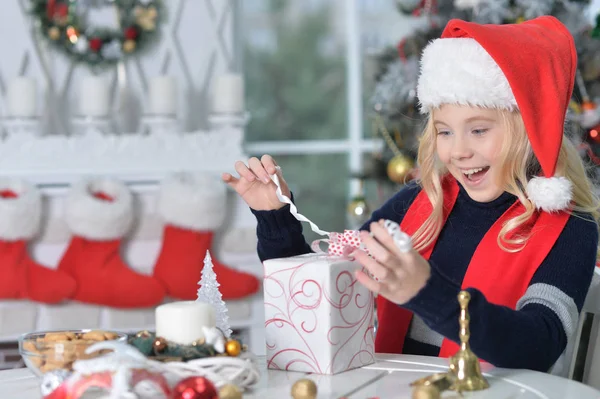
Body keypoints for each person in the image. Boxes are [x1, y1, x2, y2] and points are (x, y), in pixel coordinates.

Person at [222, 16, 600, 373]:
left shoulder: (568, 229)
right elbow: (316, 294)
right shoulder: (419, 205)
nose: (458, 151)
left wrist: (427, 292)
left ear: (529, 129)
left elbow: (539, 342)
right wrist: (274, 216)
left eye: (479, 130)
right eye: (445, 131)